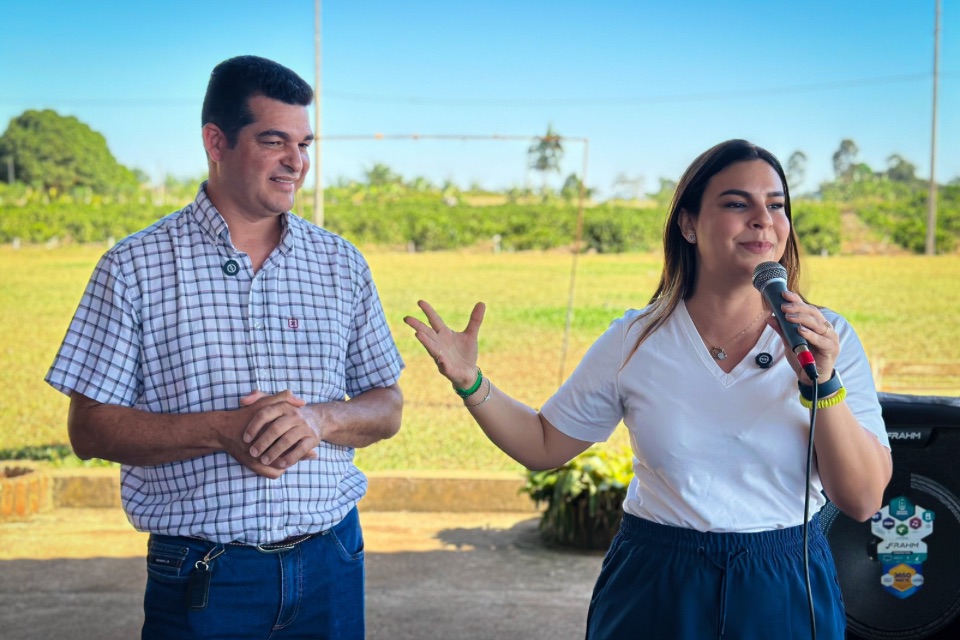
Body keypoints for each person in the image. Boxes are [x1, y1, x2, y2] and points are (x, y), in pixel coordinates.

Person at [404, 139, 892, 639]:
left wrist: (823, 383)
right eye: (735, 203)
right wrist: (470, 382)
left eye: (775, 205)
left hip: (782, 581)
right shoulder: (637, 339)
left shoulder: (827, 338)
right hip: (658, 580)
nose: (762, 220)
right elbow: (543, 443)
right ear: (687, 224)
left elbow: (861, 499)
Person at [45, 55, 404, 639]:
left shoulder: (342, 264)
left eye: (304, 143)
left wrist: (318, 419)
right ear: (217, 141)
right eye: (274, 141)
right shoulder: (133, 268)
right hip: (203, 574)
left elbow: (387, 404)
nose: (296, 162)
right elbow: (89, 429)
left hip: (331, 561)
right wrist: (221, 431)